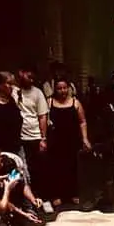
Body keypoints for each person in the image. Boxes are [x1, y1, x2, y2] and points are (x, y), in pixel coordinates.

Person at [46, 77, 91, 207]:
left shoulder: (75, 103)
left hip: (71, 140)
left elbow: (82, 122)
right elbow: (44, 118)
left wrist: (85, 138)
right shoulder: (49, 102)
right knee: (55, 168)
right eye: (59, 88)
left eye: (64, 88)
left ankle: (73, 193)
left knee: (72, 167)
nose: (62, 91)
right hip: (55, 140)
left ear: (69, 88)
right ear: (55, 89)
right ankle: (56, 194)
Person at [15, 67, 51, 213]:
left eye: (32, 78)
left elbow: (43, 116)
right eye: (27, 77)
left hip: (35, 136)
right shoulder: (14, 92)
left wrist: (43, 138)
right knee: (23, 170)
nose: (30, 80)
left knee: (39, 170)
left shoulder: (37, 93)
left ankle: (44, 199)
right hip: (19, 137)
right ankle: (27, 202)